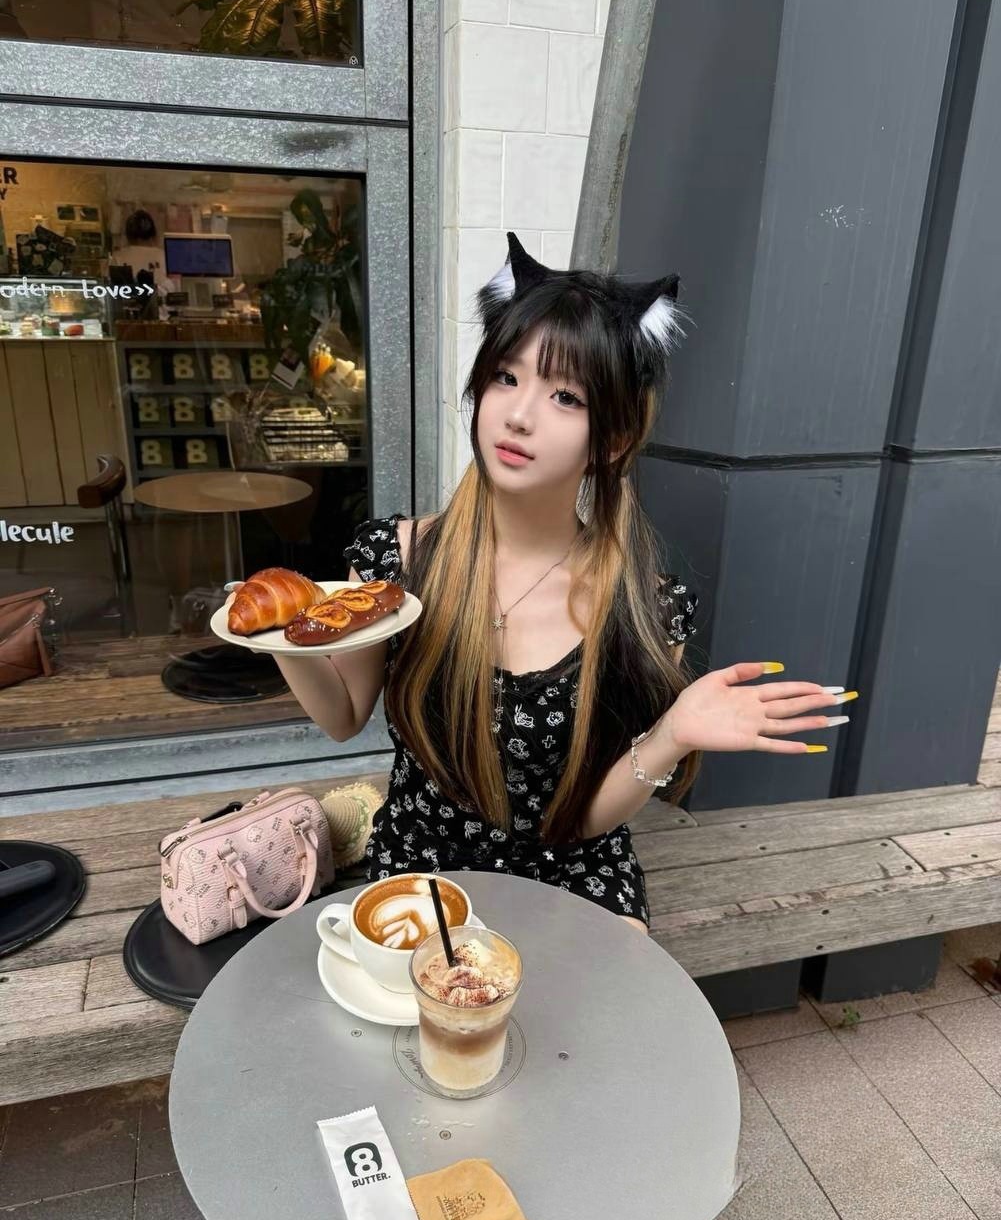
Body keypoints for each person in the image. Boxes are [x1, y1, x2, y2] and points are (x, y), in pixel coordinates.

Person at [274, 233, 854, 934]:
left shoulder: (646, 607)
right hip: (425, 868)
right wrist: (281, 636)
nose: (519, 414)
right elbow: (341, 718)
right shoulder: (394, 561)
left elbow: (586, 821)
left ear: (611, 441)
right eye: (505, 377)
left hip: (573, 869)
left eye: (565, 396)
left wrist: (670, 734)